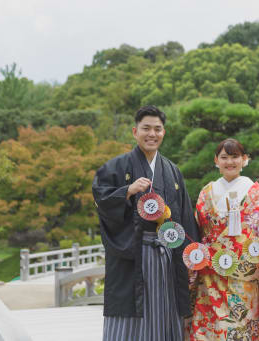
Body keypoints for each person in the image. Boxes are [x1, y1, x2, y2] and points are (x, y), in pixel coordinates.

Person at [92, 105, 200, 341]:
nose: (152, 134)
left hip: (167, 256)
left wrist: (194, 253)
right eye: (146, 128)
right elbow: (101, 198)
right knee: (130, 315)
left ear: (164, 133)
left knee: (165, 312)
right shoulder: (116, 167)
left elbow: (184, 216)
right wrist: (127, 191)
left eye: (157, 129)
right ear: (134, 131)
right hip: (133, 253)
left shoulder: (172, 171)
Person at [189, 138, 259, 341]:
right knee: (207, 331)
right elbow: (197, 228)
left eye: (235, 157)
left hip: (243, 277)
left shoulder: (255, 193)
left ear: (244, 160)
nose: (229, 162)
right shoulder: (206, 192)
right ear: (216, 160)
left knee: (240, 329)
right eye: (224, 157)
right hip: (210, 276)